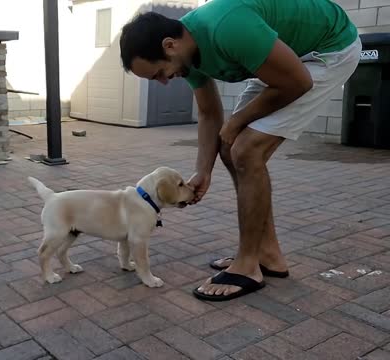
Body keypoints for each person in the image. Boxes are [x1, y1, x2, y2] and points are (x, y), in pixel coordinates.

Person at [119, 0, 360, 301]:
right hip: (291, 60)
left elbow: (298, 81)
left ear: (169, 45)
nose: (165, 81)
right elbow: (208, 114)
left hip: (330, 49)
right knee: (231, 147)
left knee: (246, 149)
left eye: (159, 74)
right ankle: (268, 254)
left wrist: (238, 122)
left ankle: (248, 265)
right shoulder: (186, 54)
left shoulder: (226, 27)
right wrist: (203, 170)